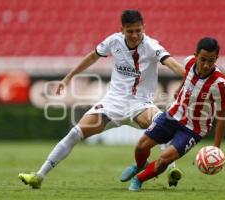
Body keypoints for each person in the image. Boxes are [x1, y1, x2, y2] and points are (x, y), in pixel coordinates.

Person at [18, 10, 185, 189]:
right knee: (75, 133)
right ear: (122, 30)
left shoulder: (152, 46)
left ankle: (170, 171)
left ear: (144, 28)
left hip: (141, 104)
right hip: (112, 104)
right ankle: (39, 176)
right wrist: (68, 77)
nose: (135, 35)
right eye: (130, 31)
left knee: (164, 124)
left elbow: (172, 63)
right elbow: (92, 57)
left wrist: (186, 79)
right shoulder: (114, 41)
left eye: (138, 30)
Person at [121, 37, 225, 191]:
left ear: (216, 59)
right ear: (195, 55)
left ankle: (138, 180)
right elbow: (187, 78)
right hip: (173, 115)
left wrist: (216, 148)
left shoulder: (219, 84)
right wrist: (180, 89)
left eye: (211, 61)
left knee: (164, 159)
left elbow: (222, 115)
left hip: (193, 129)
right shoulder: (189, 62)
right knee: (140, 147)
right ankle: (139, 166)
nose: (206, 65)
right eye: (203, 59)